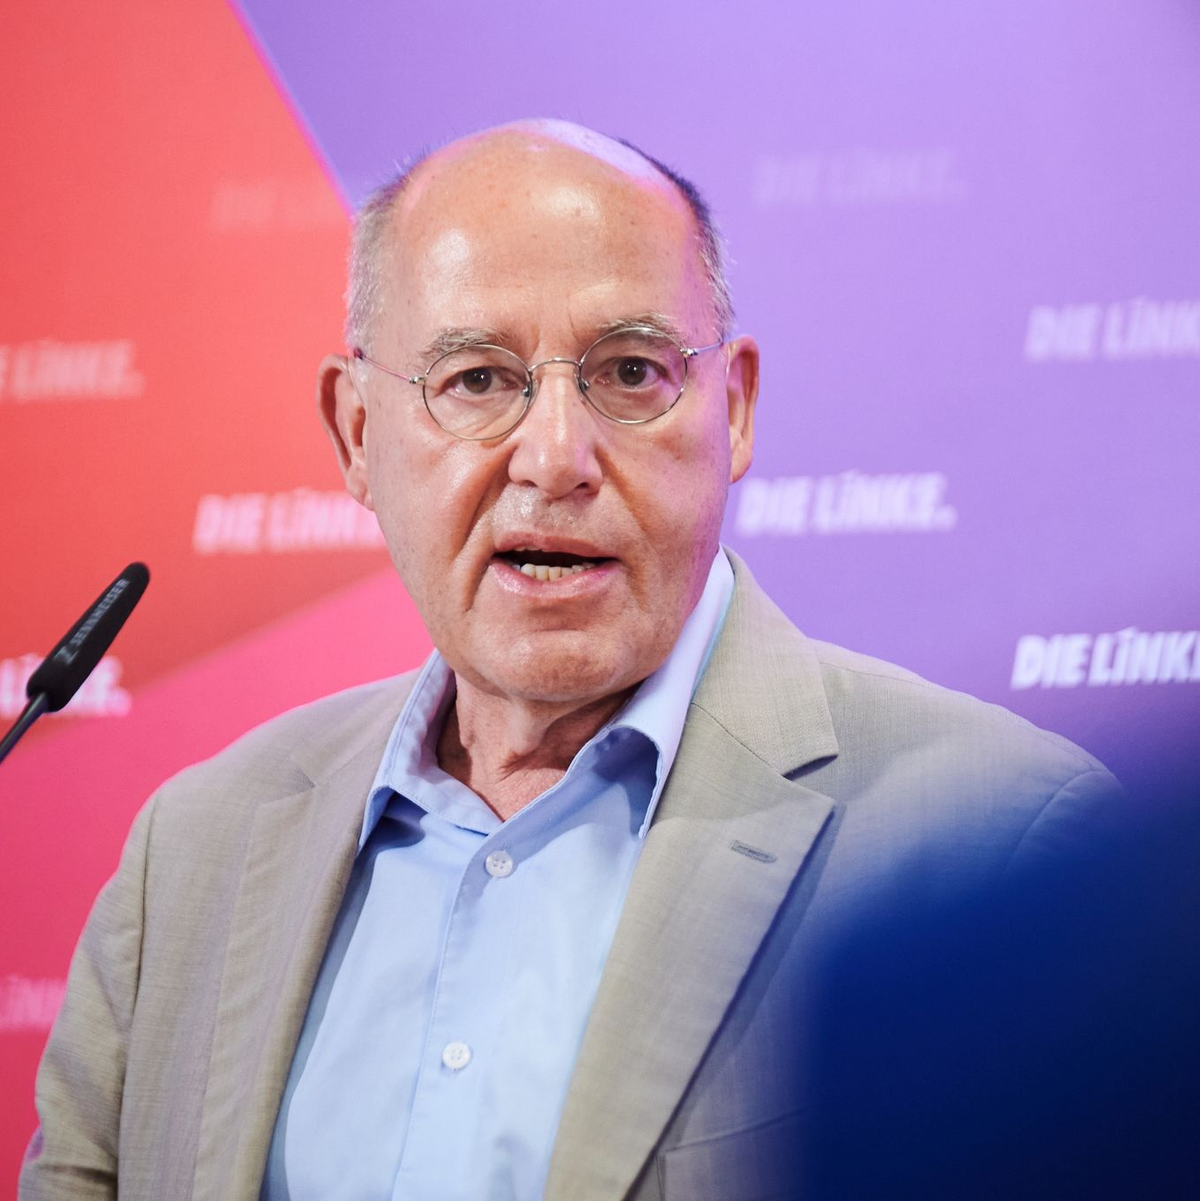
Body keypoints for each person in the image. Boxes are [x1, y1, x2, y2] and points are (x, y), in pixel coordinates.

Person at [20, 120, 1124, 1201]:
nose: (554, 458)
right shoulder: (193, 854)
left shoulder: (1008, 841)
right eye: (478, 379)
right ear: (357, 434)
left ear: (731, 409)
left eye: (631, 371)